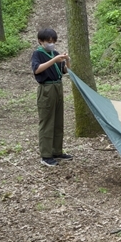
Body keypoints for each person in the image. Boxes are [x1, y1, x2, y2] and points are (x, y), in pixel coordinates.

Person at [30, 28, 73, 167]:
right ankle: (46, 155)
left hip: (58, 87)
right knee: (47, 122)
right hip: (46, 89)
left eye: (53, 41)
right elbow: (37, 69)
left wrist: (67, 61)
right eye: (48, 41)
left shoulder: (54, 53)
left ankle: (57, 151)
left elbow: (64, 71)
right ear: (40, 41)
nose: (51, 44)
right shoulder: (38, 54)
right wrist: (54, 60)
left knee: (58, 121)